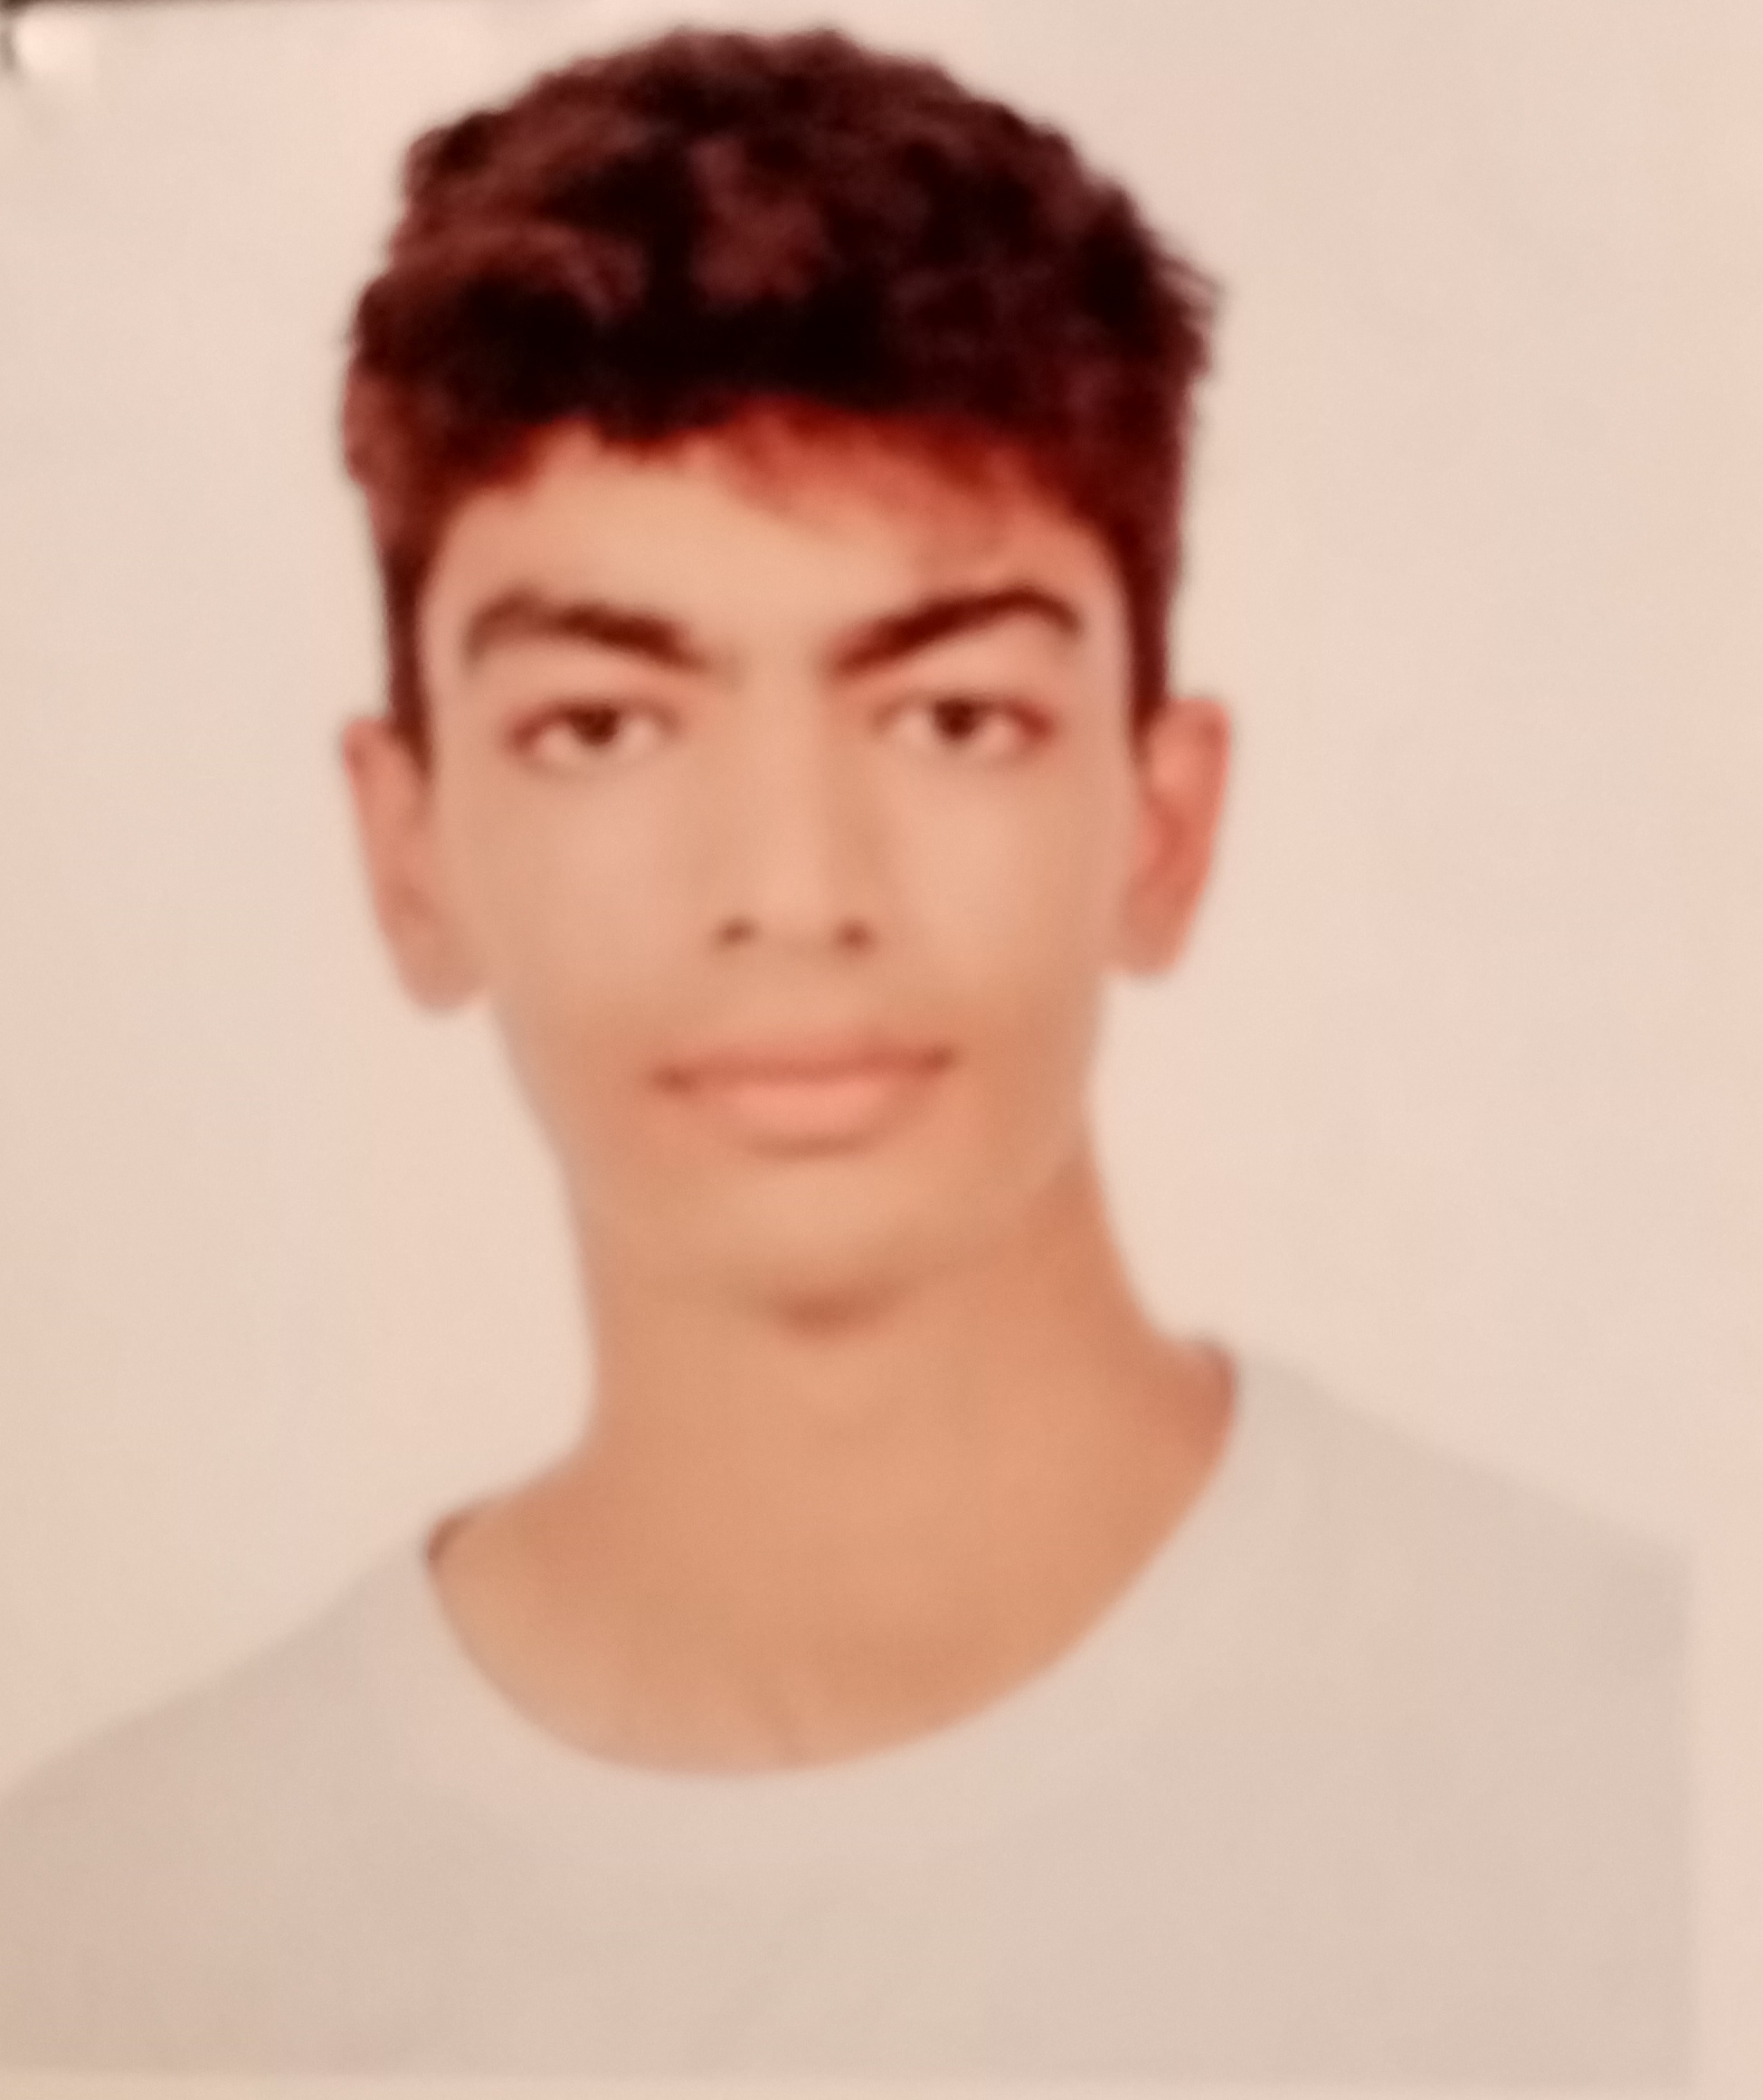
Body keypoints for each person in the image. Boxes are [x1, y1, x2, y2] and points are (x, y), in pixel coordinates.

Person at [0, 24, 1688, 2083]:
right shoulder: (104, 1953)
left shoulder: (1651, 1784)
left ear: (1162, 823)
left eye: (950, 716)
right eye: (604, 726)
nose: (793, 890)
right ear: (408, 845)